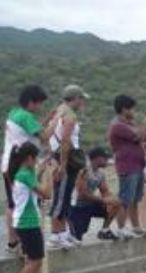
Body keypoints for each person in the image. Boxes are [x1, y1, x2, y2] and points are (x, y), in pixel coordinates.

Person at [7, 142, 58, 273]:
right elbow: (46, 193)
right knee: (35, 261)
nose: (37, 162)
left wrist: (42, 170)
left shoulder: (24, 173)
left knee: (32, 261)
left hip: (25, 222)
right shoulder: (24, 174)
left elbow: (34, 181)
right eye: (35, 160)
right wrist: (49, 174)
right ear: (29, 158)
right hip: (27, 222)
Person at [3, 85, 49, 255]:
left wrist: (48, 119)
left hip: (9, 163)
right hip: (21, 166)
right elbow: (44, 137)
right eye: (39, 104)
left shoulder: (15, 113)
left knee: (12, 203)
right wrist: (57, 119)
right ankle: (23, 242)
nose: (40, 108)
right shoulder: (26, 116)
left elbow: (32, 129)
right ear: (31, 102)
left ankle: (13, 240)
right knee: (23, 202)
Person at [47, 85, 89, 249]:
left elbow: (49, 133)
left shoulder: (58, 110)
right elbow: (65, 140)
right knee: (61, 198)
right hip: (66, 160)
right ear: (76, 98)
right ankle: (55, 235)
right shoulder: (70, 116)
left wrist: (52, 156)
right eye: (81, 99)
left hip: (59, 156)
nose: (82, 102)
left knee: (63, 196)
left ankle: (62, 233)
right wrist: (63, 165)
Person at [107, 94, 146, 239]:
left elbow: (142, 135)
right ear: (123, 109)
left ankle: (136, 226)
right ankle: (121, 228)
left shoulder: (130, 124)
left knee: (135, 199)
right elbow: (138, 136)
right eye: (131, 108)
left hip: (137, 166)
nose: (134, 111)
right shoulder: (117, 125)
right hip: (127, 166)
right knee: (125, 199)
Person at [69, 146, 121, 241]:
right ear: (98, 158)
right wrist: (104, 200)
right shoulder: (84, 171)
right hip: (77, 206)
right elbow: (82, 194)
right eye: (105, 158)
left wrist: (110, 200)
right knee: (77, 237)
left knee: (116, 202)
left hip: (90, 204)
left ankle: (104, 230)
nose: (107, 160)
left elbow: (105, 191)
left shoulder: (100, 173)